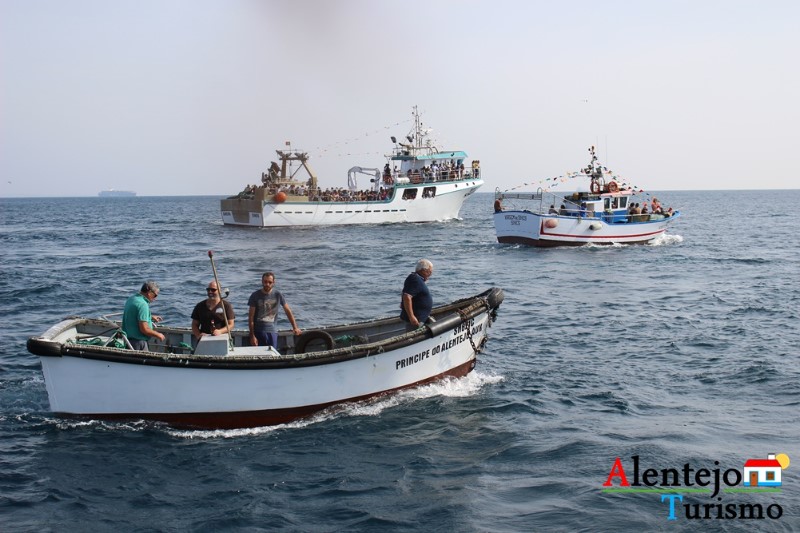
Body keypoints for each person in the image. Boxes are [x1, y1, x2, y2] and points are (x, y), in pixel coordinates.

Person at [248, 271, 301, 347]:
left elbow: (287, 311)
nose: (267, 284)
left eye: (270, 282)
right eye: (265, 282)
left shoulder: (278, 295)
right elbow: (251, 317)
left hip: (272, 331)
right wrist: (252, 335)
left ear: (273, 282)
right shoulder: (255, 295)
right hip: (258, 331)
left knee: (273, 354)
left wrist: (295, 327)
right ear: (262, 281)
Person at [122, 280, 165, 351]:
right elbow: (144, 329)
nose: (155, 299)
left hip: (128, 341)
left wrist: (149, 317)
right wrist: (158, 335)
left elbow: (134, 315)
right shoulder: (143, 304)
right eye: (155, 295)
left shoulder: (132, 298)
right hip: (138, 343)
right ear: (150, 293)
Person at [400, 259, 434, 331]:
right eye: (429, 272)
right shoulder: (415, 279)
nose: (430, 274)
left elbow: (405, 292)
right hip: (416, 319)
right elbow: (406, 296)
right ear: (423, 270)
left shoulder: (416, 278)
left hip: (420, 317)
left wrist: (402, 303)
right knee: (412, 336)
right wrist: (411, 316)